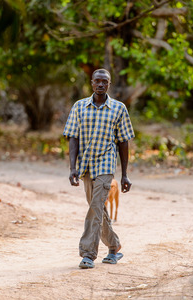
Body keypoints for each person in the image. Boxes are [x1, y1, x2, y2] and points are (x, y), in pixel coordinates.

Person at [63, 68, 135, 269]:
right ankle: (114, 245)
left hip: (106, 164)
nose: (101, 85)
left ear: (109, 84)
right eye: (97, 81)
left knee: (95, 206)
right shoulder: (79, 107)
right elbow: (73, 138)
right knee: (97, 208)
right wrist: (73, 168)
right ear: (92, 83)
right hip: (86, 165)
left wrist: (125, 175)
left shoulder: (119, 109)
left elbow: (123, 142)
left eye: (105, 82)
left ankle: (88, 254)